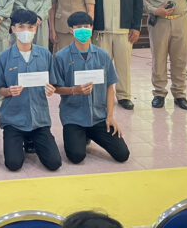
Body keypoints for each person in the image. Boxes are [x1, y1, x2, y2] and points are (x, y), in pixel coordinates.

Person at [54, 12, 130, 165]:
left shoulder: (103, 56)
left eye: (86, 26)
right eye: (78, 27)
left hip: (99, 117)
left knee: (123, 154)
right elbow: (56, 88)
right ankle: (82, 135)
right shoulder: (61, 57)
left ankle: (91, 134)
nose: (83, 30)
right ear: (71, 30)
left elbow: (110, 87)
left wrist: (110, 116)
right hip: (74, 117)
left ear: (91, 28)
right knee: (76, 156)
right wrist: (74, 90)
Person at [0, 8, 62, 172]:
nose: (26, 31)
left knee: (54, 163)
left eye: (30, 27)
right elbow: (0, 89)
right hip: (14, 120)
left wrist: (51, 90)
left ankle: (32, 139)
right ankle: (18, 138)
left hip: (39, 119)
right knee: (13, 164)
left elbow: (53, 84)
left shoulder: (45, 55)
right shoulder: (4, 57)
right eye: (21, 27)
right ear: (13, 29)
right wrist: (9, 91)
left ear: (36, 29)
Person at [86, 0, 143, 110]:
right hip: (100, 31)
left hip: (123, 31)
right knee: (100, 66)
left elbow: (138, 3)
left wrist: (136, 27)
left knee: (123, 66)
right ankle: (101, 97)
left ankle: (124, 96)